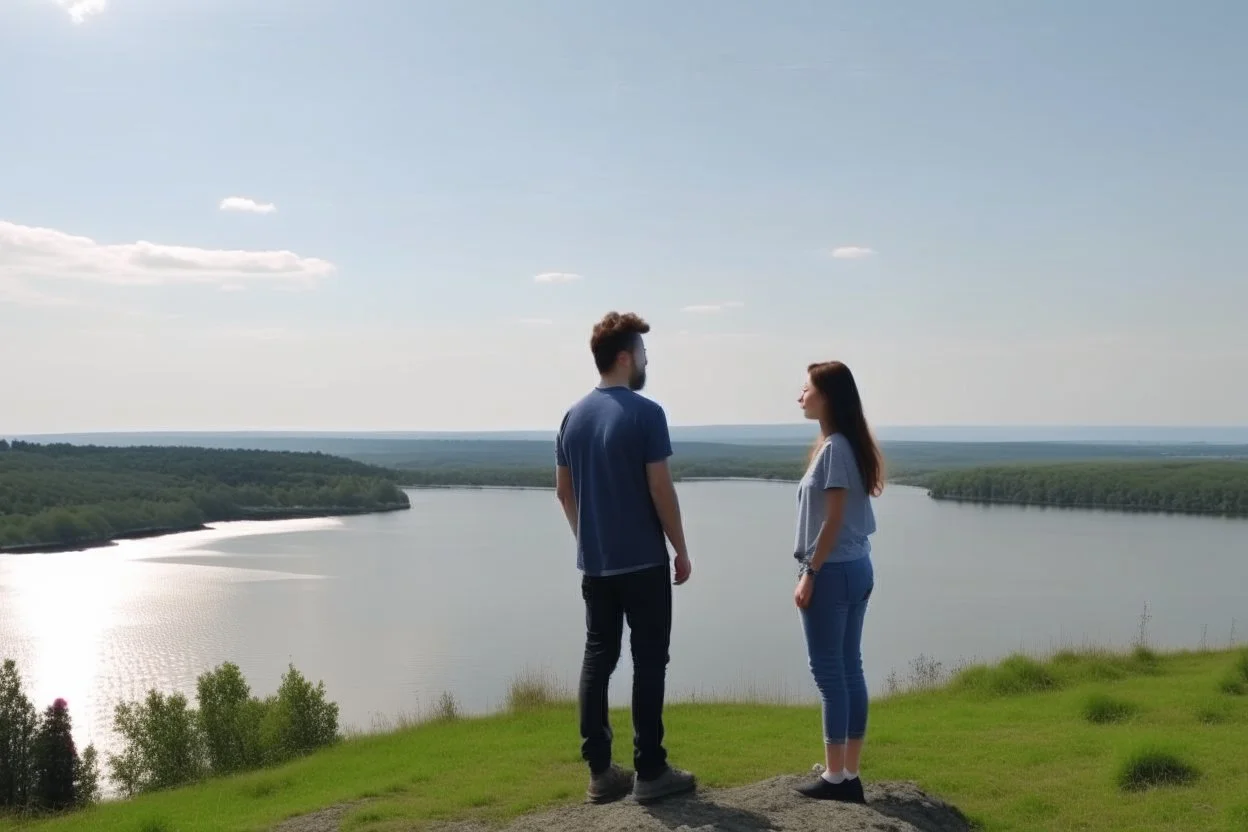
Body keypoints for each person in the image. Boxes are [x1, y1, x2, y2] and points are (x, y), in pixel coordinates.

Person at [554, 311, 697, 805]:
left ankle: (600, 773)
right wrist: (680, 547)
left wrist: (586, 539)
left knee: (598, 658)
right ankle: (651, 771)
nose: (645, 361)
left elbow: (563, 491)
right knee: (649, 661)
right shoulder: (645, 413)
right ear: (624, 357)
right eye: (642, 353)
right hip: (643, 564)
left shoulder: (573, 416)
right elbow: (661, 488)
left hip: (596, 567)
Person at [791, 361, 884, 803]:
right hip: (856, 567)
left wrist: (810, 572)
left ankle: (836, 777)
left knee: (830, 672)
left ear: (826, 396)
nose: (800, 396)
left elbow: (831, 521)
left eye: (806, 389)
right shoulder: (846, 445)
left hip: (832, 571)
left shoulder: (834, 450)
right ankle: (846, 770)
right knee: (849, 667)